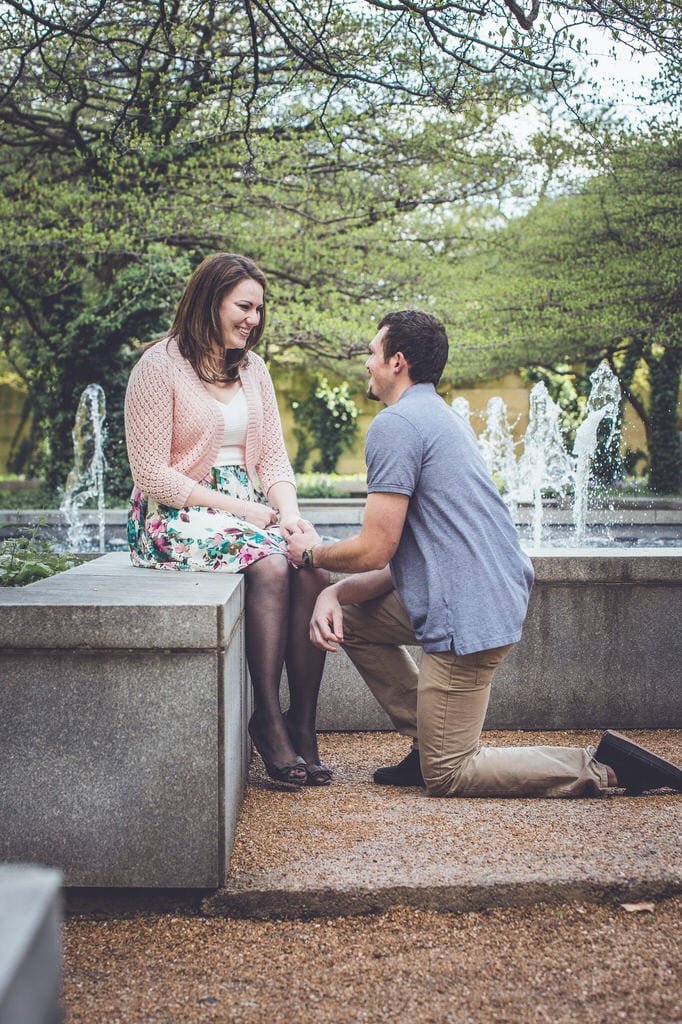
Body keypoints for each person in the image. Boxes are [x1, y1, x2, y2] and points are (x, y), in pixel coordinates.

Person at [287, 310, 682, 798]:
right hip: (473, 594)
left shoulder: (396, 424)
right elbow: (404, 557)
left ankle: (605, 768)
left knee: (450, 772)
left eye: (372, 353)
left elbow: (375, 547)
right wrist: (337, 594)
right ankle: (425, 739)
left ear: (397, 362)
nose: (366, 363)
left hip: (466, 612)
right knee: (354, 618)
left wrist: (311, 556)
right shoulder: (438, 416)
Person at [124, 252, 332, 787]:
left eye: (259, 309)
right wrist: (244, 510)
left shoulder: (254, 368)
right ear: (210, 301)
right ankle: (267, 718)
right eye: (244, 306)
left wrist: (289, 515)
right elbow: (151, 474)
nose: (253, 319)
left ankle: (302, 725)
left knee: (311, 565)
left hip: (253, 508)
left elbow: (273, 460)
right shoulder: (159, 365)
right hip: (177, 512)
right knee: (269, 565)